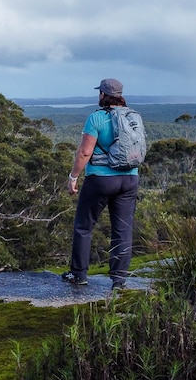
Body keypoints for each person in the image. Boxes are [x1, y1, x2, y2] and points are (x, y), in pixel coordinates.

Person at [63, 78, 140, 290]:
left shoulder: (96, 118)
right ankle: (119, 280)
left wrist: (73, 177)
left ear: (103, 95)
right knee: (123, 230)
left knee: (84, 226)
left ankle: (79, 275)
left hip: (101, 179)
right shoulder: (133, 116)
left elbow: (85, 152)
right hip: (130, 178)